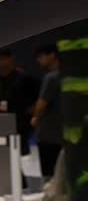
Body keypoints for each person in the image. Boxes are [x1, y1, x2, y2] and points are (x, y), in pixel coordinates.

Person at [0, 48, 40, 155]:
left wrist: (31, 113)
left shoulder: (26, 79)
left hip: (22, 128)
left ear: (10, 59)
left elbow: (38, 102)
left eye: (1, 59)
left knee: (20, 156)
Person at [31, 43, 62, 179]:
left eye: (41, 56)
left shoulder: (51, 78)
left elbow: (41, 104)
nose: (39, 60)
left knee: (49, 174)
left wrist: (35, 118)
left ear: (52, 55)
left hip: (48, 134)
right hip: (64, 133)